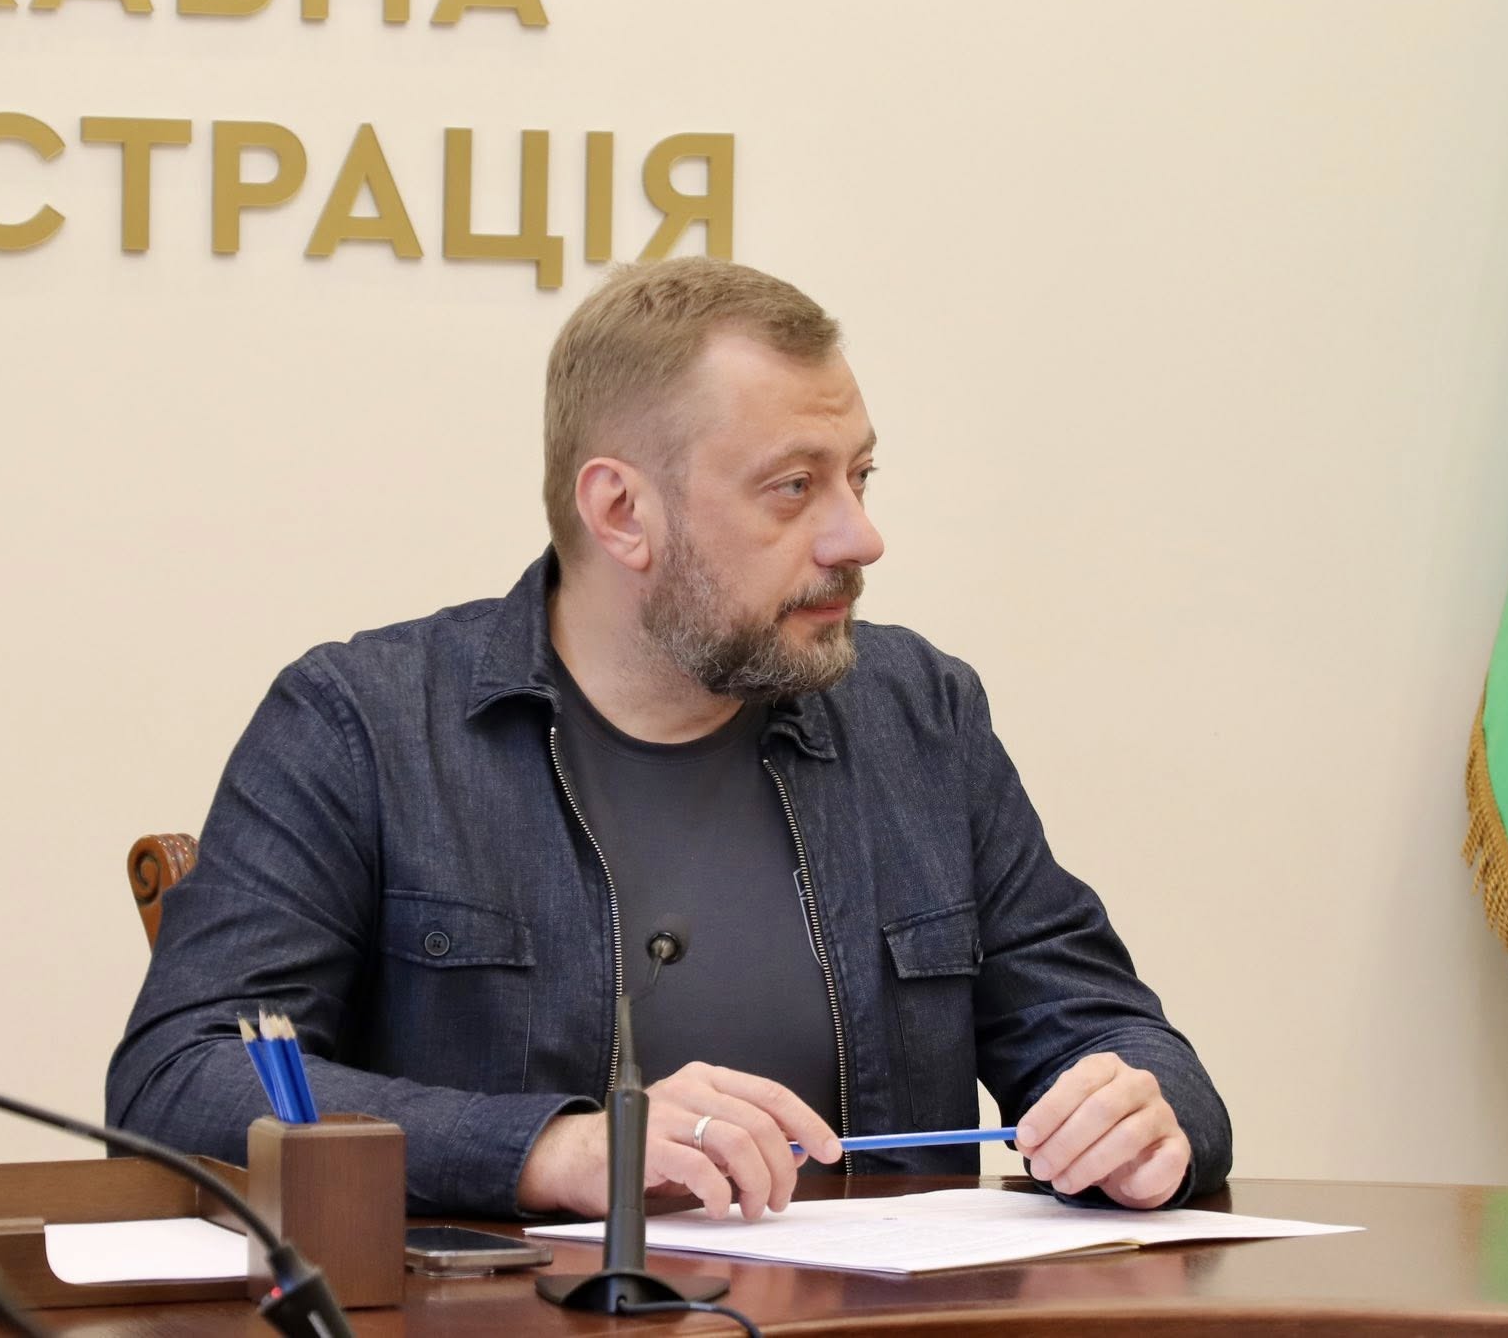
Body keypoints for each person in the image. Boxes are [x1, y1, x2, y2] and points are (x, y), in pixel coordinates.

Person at [107, 258, 1231, 1222]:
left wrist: (1146, 1114)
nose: (859, 536)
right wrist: (551, 1151)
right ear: (621, 512)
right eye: (793, 487)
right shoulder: (362, 724)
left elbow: (1109, 1033)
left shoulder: (921, 715)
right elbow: (177, 1078)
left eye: (859, 476)